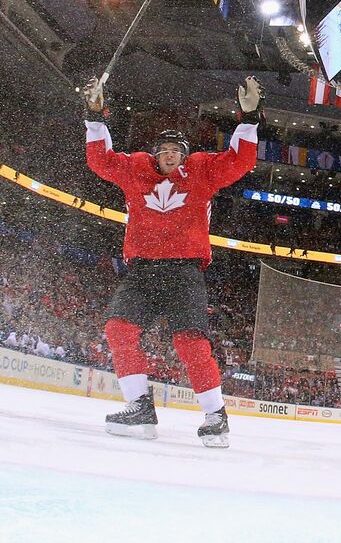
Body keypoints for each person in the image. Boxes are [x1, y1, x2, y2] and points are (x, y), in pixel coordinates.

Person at [83, 75, 263, 448]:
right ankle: (139, 407)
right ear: (155, 153)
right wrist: (95, 114)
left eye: (176, 150)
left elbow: (240, 160)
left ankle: (215, 416)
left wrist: (249, 118)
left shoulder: (201, 171)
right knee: (119, 329)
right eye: (164, 149)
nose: (170, 154)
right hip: (143, 270)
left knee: (189, 341)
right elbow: (99, 160)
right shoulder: (135, 169)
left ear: (183, 155)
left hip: (183, 271)